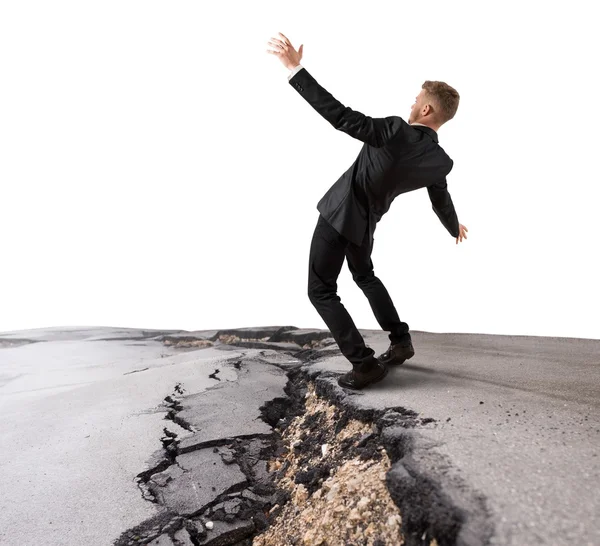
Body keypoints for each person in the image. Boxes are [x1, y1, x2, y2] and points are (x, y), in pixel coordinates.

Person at [266, 33, 468, 390]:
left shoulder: (394, 130)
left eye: (417, 99)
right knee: (364, 276)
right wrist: (454, 227)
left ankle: (365, 365)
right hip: (367, 222)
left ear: (426, 110)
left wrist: (294, 68)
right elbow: (440, 200)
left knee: (321, 290)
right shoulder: (440, 161)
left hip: (340, 214)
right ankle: (400, 340)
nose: (412, 103)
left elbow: (340, 116)